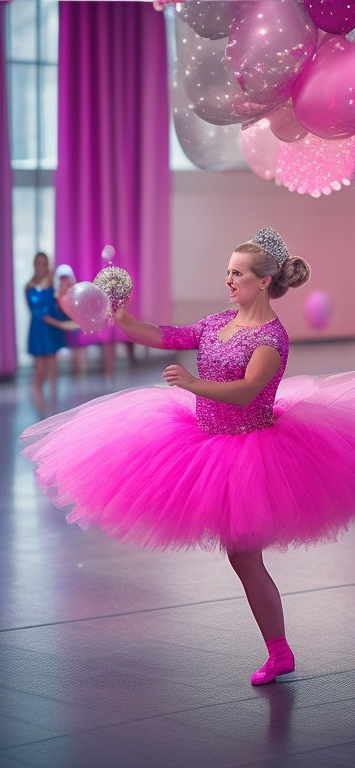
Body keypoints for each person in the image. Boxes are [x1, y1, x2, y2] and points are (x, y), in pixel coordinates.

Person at [22, 228, 355, 686]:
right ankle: (280, 652)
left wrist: (193, 383)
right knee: (243, 559)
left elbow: (247, 391)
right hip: (204, 439)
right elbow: (166, 335)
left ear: (263, 282)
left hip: (249, 450)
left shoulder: (272, 337)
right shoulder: (219, 322)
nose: (228, 280)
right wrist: (123, 318)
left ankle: (279, 652)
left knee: (245, 558)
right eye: (228, 272)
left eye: (237, 273)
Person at [25, 252, 77, 419]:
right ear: (34, 265)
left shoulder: (51, 285)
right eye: (39, 263)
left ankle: (53, 409)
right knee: (40, 369)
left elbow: (56, 306)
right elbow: (35, 311)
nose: (41, 266)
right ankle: (39, 401)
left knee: (53, 370)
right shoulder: (28, 286)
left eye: (44, 263)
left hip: (50, 329)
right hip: (38, 330)